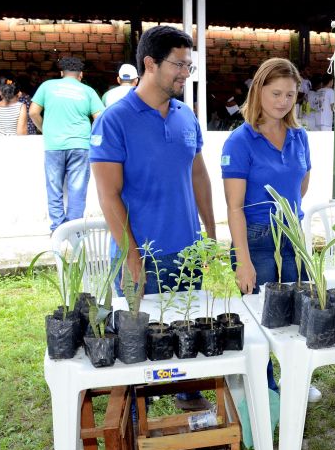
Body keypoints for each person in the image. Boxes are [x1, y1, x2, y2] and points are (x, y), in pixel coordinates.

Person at [91, 26, 216, 412]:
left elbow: (199, 175)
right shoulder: (114, 121)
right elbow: (108, 195)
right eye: (179, 65)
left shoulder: (185, 116)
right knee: (135, 345)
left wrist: (210, 237)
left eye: (189, 67)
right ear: (149, 63)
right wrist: (131, 257)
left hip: (188, 253)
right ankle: (131, 418)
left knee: (187, 334)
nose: (185, 74)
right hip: (141, 256)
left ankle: (188, 395)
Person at [221, 57, 322, 403]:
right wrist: (243, 261)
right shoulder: (240, 140)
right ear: (258, 90)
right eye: (275, 93)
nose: (282, 101)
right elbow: (234, 207)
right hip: (257, 240)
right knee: (262, 319)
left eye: (289, 95)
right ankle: (265, 388)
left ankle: (294, 378)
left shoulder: (299, 137)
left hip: (292, 238)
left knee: (298, 313)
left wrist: (288, 221)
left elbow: (300, 187)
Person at [30, 57, 104, 233]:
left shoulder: (47, 86)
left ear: (62, 73)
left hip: (53, 144)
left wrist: (44, 130)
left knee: (54, 187)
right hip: (80, 144)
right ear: (81, 75)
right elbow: (100, 117)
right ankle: (74, 230)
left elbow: (33, 112)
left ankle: (57, 229)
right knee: (77, 189)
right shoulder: (88, 91)